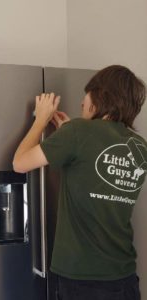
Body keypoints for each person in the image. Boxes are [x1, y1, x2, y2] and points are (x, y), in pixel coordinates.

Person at [13, 65, 147, 300]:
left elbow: (20, 163)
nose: (82, 103)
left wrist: (41, 121)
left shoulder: (78, 133)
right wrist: (68, 132)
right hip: (124, 280)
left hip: (82, 282)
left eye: (87, 95)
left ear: (100, 96)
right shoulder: (140, 146)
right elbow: (94, 172)